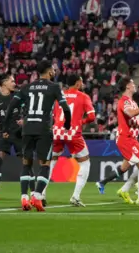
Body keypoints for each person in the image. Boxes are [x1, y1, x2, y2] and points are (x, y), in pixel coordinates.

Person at [4, 60, 72, 212]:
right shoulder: (54, 87)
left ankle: (24, 198)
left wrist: (5, 126)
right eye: (53, 70)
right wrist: (67, 125)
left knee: (26, 163)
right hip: (43, 129)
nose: (54, 72)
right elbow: (66, 109)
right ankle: (37, 195)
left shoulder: (26, 87)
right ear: (49, 72)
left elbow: (11, 108)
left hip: (27, 129)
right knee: (45, 164)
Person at [96, 77, 139, 207]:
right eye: (133, 83)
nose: (135, 85)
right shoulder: (123, 102)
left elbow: (136, 123)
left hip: (131, 138)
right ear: (128, 86)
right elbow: (130, 114)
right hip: (126, 139)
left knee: (126, 167)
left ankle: (121, 189)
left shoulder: (132, 102)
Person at [45, 75, 95, 207]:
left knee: (52, 161)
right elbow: (92, 116)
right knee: (85, 163)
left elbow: (55, 116)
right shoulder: (83, 96)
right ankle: (75, 196)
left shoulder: (59, 97)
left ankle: (41, 193)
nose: (83, 84)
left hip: (57, 131)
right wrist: (81, 122)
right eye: (82, 81)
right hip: (72, 132)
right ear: (78, 83)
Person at [0, 74, 32, 202]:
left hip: (18, 133)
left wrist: (24, 119)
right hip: (4, 133)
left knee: (26, 162)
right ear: (4, 83)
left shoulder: (18, 95)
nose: (14, 83)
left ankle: (34, 193)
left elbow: (28, 108)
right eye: (12, 81)